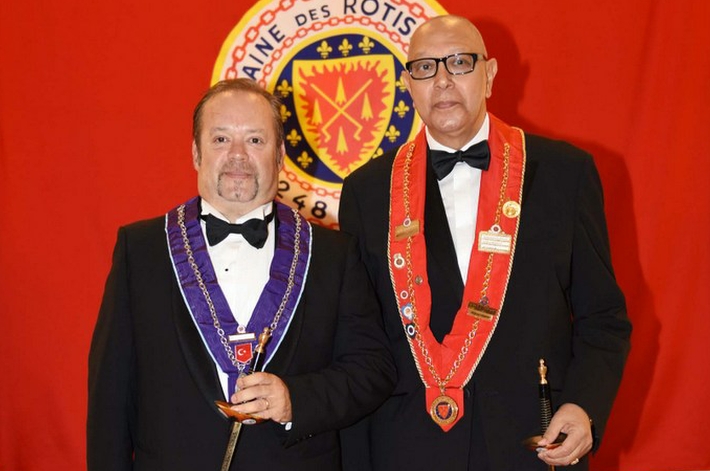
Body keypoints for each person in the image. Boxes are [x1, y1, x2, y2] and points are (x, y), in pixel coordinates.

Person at [339, 15, 631, 470]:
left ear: (489, 75)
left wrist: (583, 406)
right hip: (405, 446)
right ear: (408, 85)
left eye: (459, 62)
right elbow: (357, 335)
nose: (442, 80)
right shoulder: (366, 190)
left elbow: (603, 317)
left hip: (533, 441)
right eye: (425, 68)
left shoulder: (565, 174)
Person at [87, 78, 395, 470]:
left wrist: (295, 400)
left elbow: (373, 370)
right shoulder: (141, 250)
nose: (237, 155)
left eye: (254, 140)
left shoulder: (334, 255)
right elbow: (110, 396)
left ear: (279, 156)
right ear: (196, 153)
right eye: (220, 139)